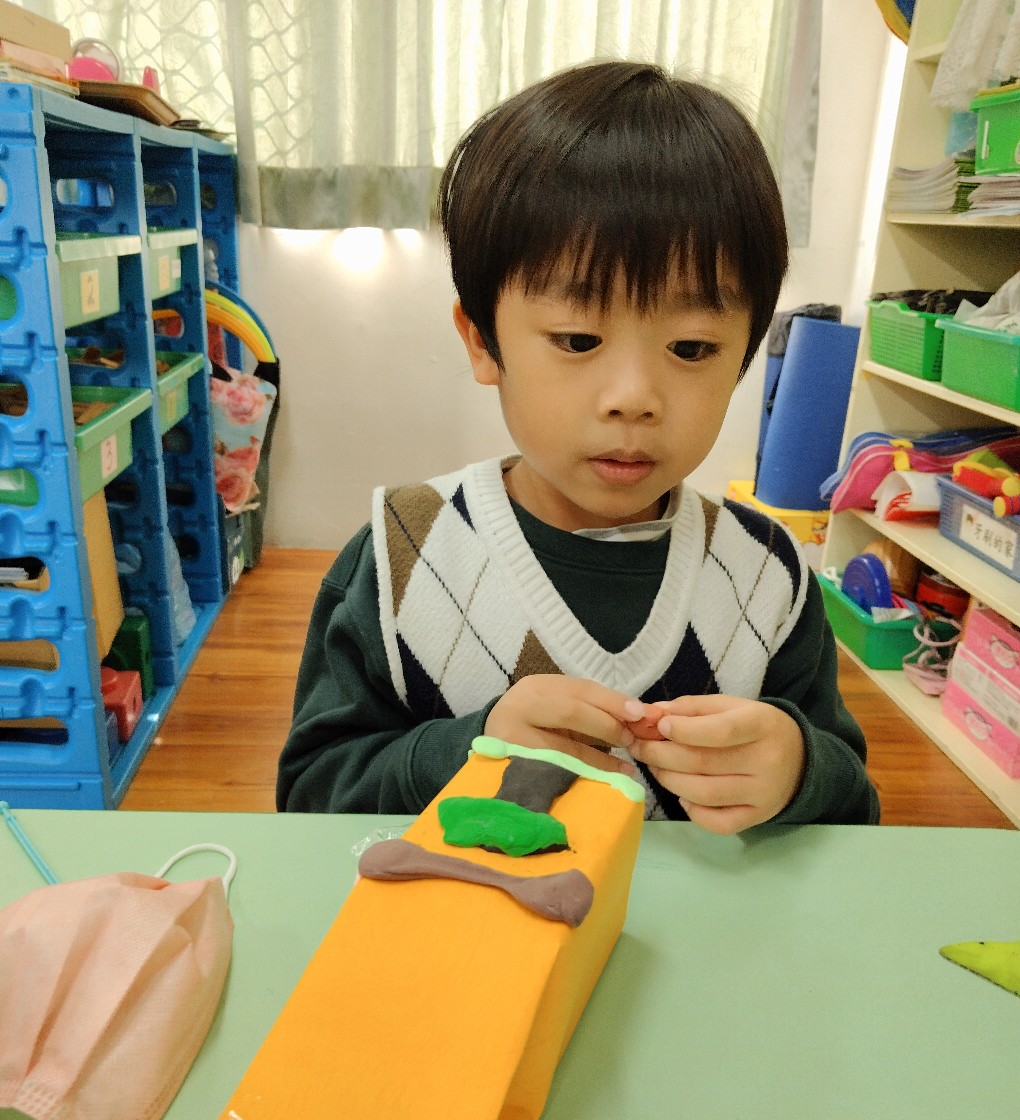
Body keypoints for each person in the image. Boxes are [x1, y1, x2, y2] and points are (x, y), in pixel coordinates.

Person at [277, 60, 880, 832]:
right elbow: (309, 797)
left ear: (744, 356)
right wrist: (465, 755)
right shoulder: (403, 558)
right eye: (577, 339)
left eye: (692, 348)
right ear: (483, 341)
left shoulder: (768, 577)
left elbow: (853, 803)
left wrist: (800, 772)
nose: (633, 397)